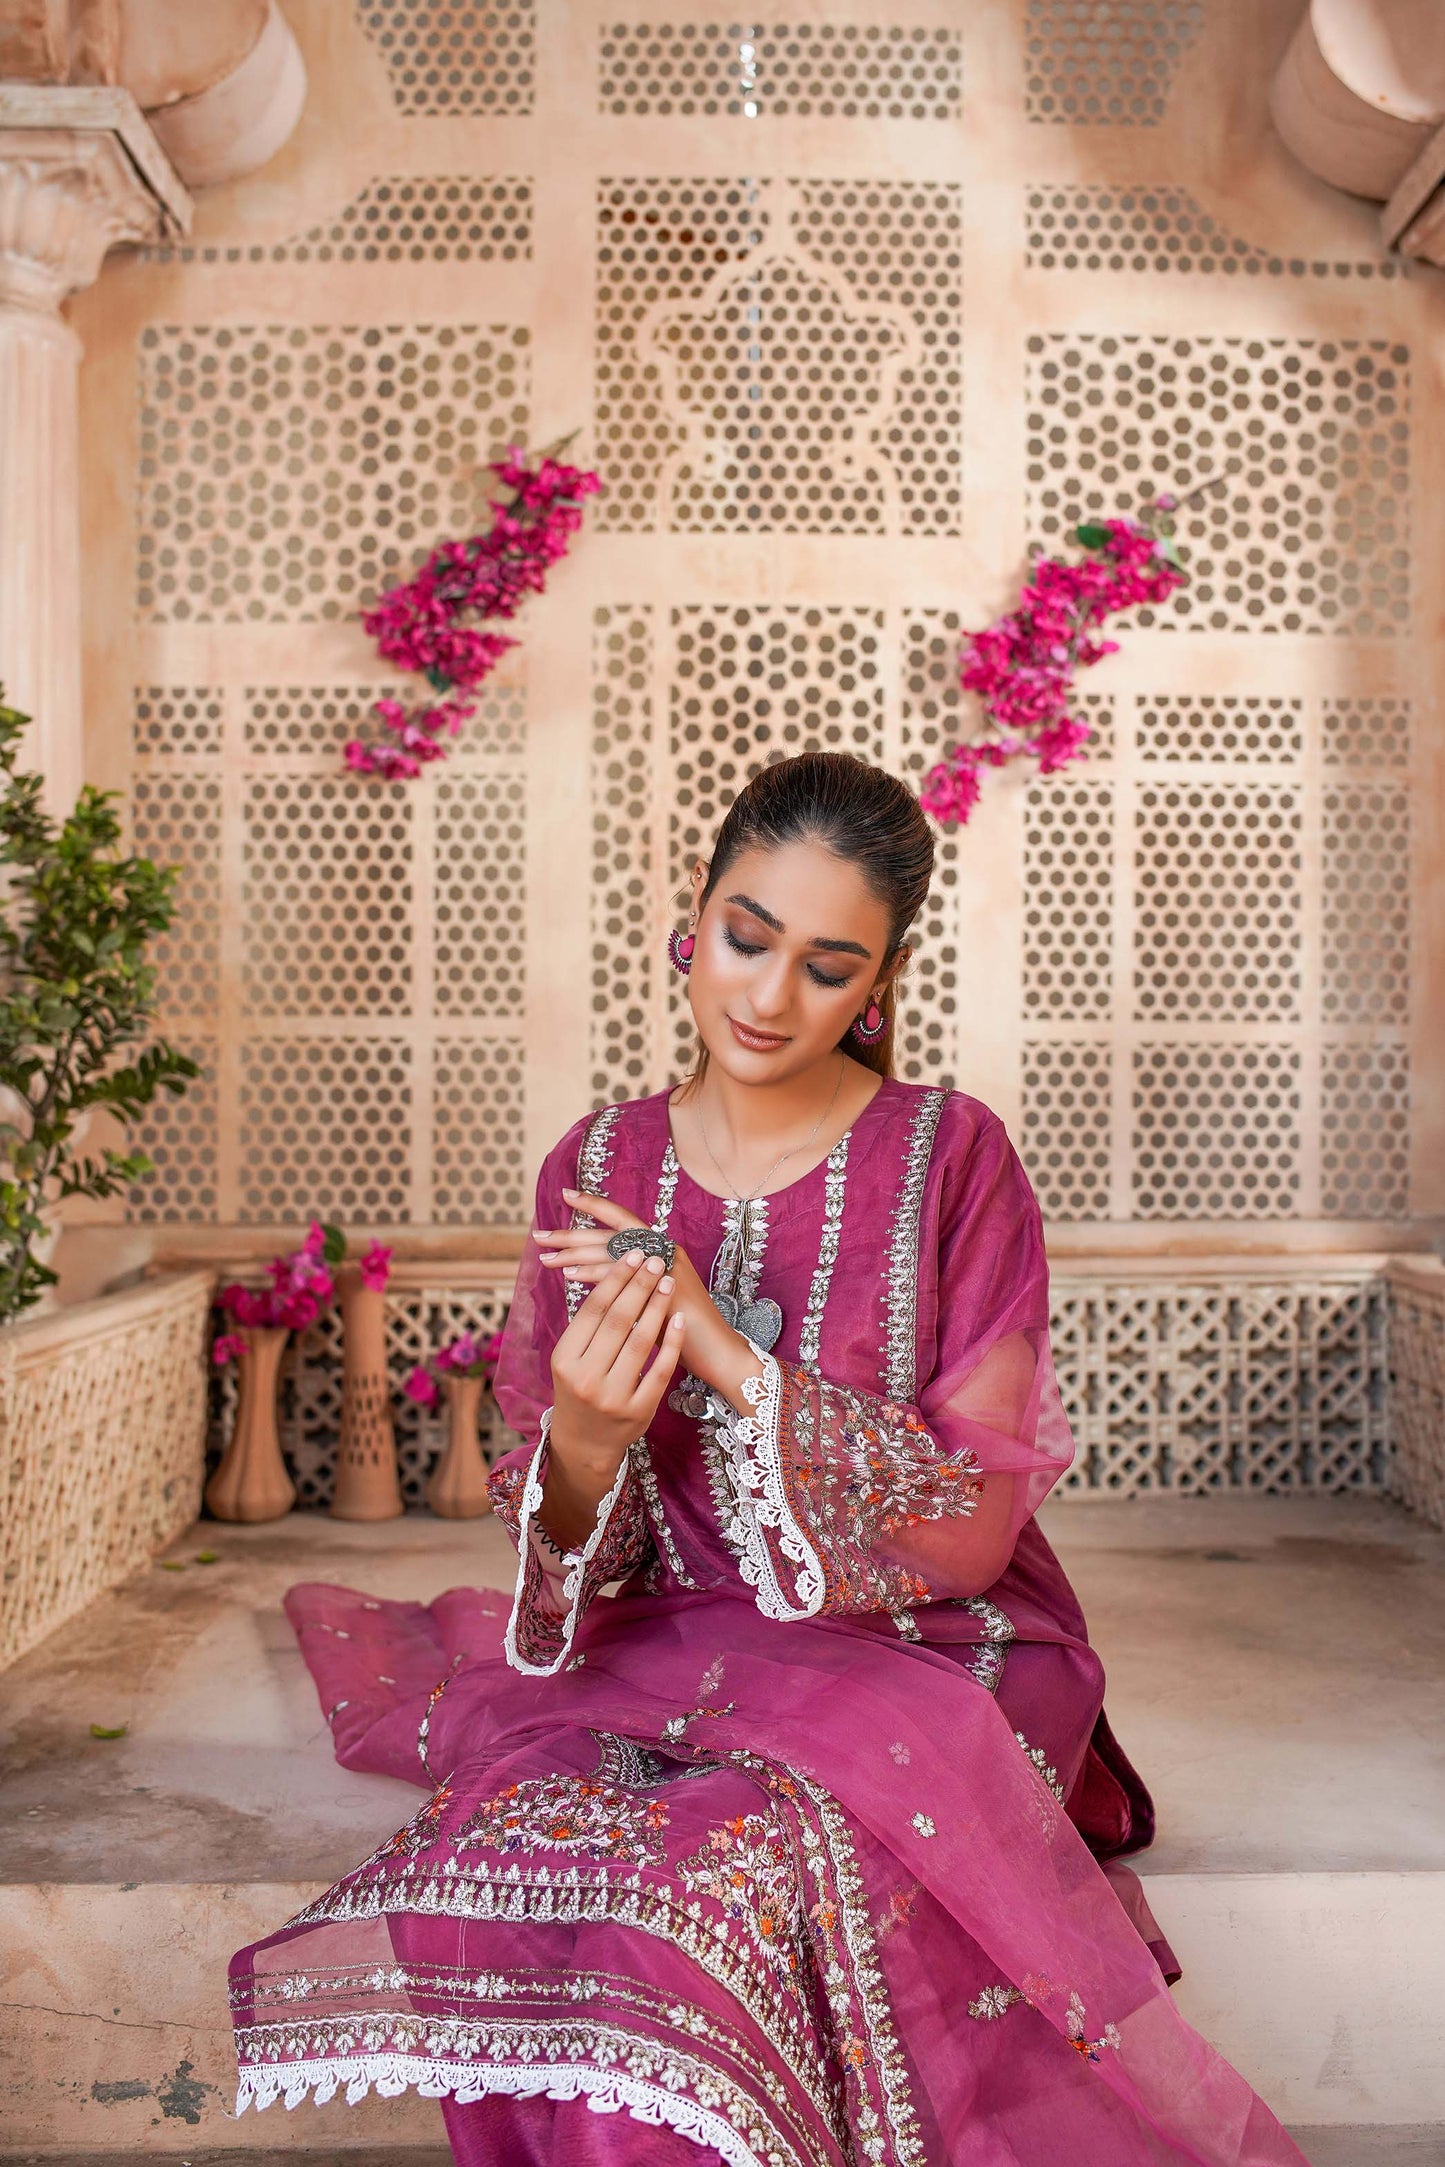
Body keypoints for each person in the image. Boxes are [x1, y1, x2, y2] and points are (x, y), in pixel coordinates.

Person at [228, 752, 1311, 2165]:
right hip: (664, 1642)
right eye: (746, 936)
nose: (765, 994)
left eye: (824, 965)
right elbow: (553, 1533)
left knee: (716, 1889)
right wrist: (586, 1438)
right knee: (520, 1872)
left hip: (932, 1652)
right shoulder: (597, 1162)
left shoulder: (951, 1159)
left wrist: (728, 1358)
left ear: (875, 987)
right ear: (694, 916)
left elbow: (971, 1530)